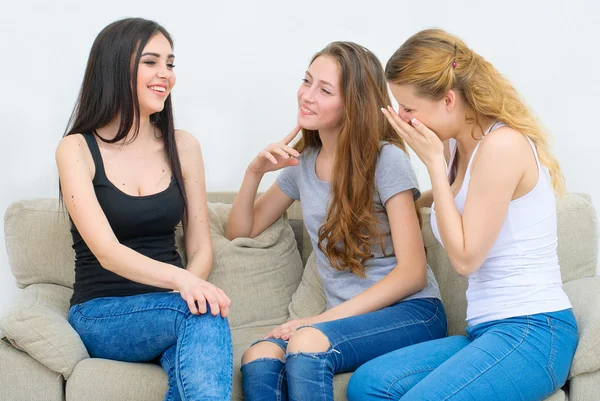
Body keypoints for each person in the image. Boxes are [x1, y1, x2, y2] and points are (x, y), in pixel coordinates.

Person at [347, 29, 577, 401]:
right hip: (486, 331)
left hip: (534, 333)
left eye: (408, 107)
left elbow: (466, 259)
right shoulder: (457, 145)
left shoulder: (502, 146)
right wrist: (398, 203)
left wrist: (435, 164)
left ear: (448, 100)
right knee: (370, 384)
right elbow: (455, 202)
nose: (401, 119)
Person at [226, 41, 445, 401]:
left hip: (413, 313)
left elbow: (412, 273)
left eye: (324, 90)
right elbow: (241, 231)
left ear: (353, 104)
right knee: (259, 355)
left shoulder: (385, 160)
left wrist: (318, 321)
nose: (307, 96)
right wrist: (254, 172)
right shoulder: (303, 163)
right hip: (343, 321)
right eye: (307, 81)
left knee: (307, 342)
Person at [56, 18, 232, 401]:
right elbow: (107, 251)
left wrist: (190, 290)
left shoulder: (183, 146)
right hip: (102, 314)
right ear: (116, 67)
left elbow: (201, 246)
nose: (165, 74)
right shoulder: (76, 149)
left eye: (170, 64)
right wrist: (184, 284)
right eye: (151, 62)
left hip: (172, 310)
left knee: (198, 331)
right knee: (201, 314)